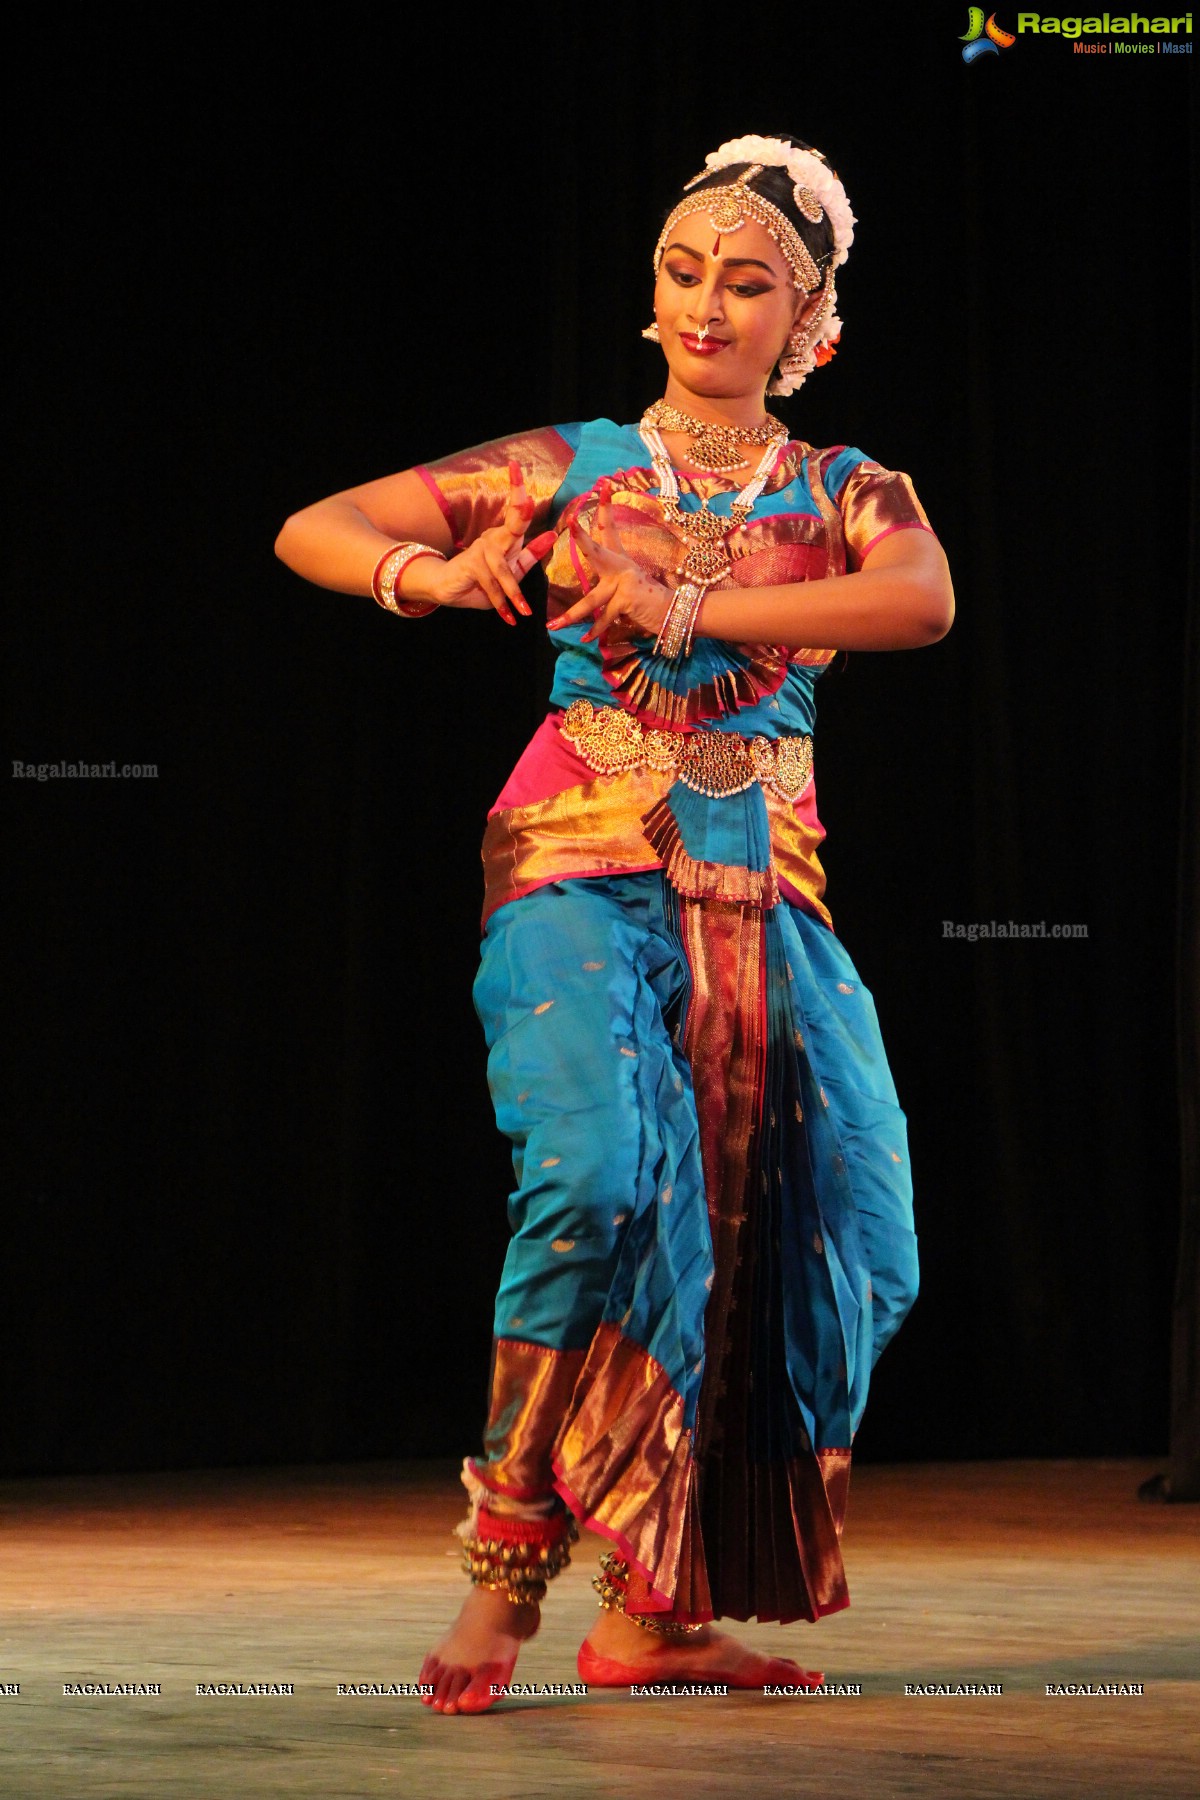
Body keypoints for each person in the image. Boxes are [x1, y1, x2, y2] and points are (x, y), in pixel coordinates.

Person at [274, 132, 954, 1715]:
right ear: (651, 296)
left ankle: (653, 1609)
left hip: (768, 893)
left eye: (748, 283)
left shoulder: (851, 490)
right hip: (579, 858)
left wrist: (688, 610)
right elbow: (316, 523)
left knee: (848, 1239)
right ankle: (509, 1569)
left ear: (814, 323)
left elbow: (917, 604)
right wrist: (423, 581)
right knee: (595, 1171)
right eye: (682, 272)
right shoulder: (568, 464)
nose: (706, 305)